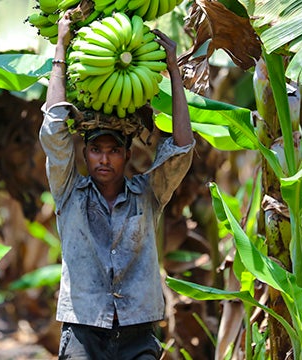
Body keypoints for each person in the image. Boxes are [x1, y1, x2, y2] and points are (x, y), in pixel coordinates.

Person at [39, 9, 195, 360]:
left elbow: (182, 149)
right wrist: (61, 48)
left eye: (113, 151)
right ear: (86, 153)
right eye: (95, 150)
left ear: (126, 154)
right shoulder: (69, 192)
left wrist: (173, 70)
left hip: (138, 329)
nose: (104, 160)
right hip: (83, 327)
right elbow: (53, 129)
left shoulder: (148, 193)